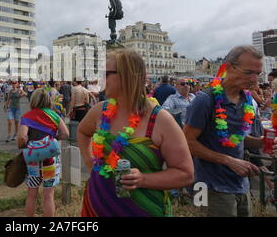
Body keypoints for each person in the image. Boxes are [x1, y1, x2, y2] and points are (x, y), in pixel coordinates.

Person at [78, 49, 194, 217]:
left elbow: (186, 174)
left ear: (126, 76)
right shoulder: (100, 110)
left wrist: (143, 179)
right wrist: (90, 163)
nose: (100, 79)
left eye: (106, 74)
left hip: (143, 208)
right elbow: (82, 131)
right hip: (97, 205)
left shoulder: (161, 120)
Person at [184, 45, 277, 217]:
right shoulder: (205, 100)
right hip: (207, 187)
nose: (254, 79)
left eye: (258, 73)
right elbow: (187, 142)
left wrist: (263, 142)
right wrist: (229, 161)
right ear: (228, 68)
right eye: (249, 72)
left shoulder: (246, 98)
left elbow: (238, 138)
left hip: (240, 185)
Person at [17, 88, 70, 216]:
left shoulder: (27, 117)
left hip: (33, 161)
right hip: (50, 161)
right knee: (48, 195)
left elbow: (22, 137)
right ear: (48, 101)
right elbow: (66, 134)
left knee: (31, 194)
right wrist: (53, 139)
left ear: (33, 101)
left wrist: (23, 144)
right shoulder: (54, 115)